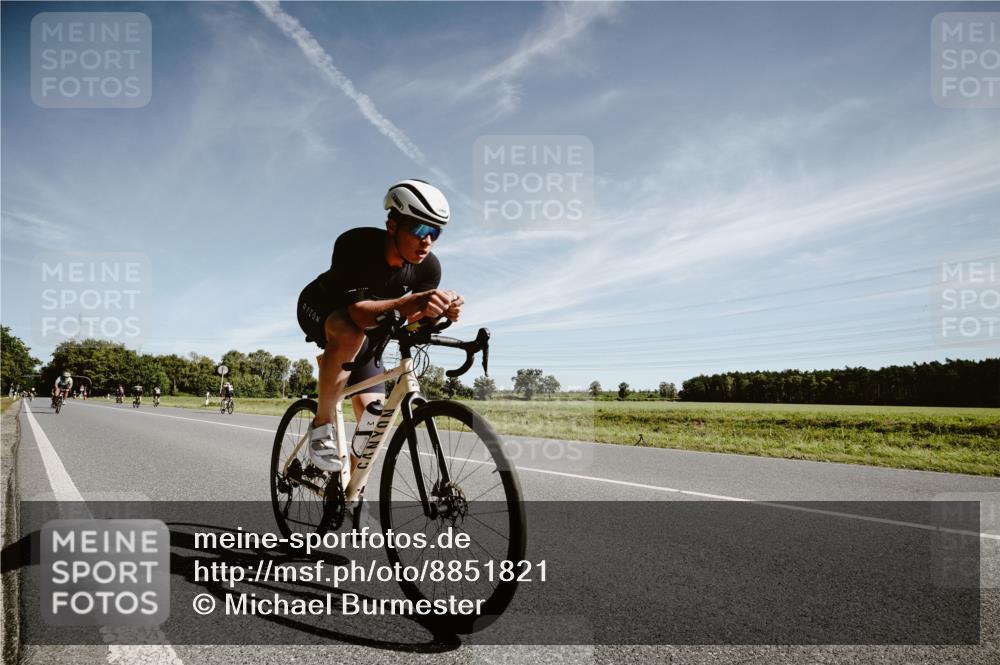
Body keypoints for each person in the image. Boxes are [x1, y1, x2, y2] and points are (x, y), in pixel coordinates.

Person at [296, 179, 463, 473]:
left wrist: (437, 312)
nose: (427, 241)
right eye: (418, 229)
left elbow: (412, 322)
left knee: (372, 422)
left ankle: (351, 494)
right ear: (392, 225)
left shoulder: (429, 267)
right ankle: (321, 428)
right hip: (321, 308)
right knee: (349, 331)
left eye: (434, 232)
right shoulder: (356, 245)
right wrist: (419, 300)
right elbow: (359, 314)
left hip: (370, 331)